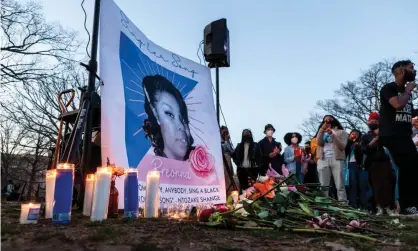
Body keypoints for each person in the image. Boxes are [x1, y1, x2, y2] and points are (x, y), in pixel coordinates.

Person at [378, 60, 418, 215]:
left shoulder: (406, 93)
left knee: (412, 167)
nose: (414, 71)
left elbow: (409, 111)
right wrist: (407, 91)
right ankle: (407, 205)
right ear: (401, 70)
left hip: (404, 136)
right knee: (408, 167)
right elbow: (397, 105)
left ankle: (409, 204)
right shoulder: (389, 88)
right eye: (411, 68)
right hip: (392, 136)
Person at [142, 75, 194, 161]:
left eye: (183, 119)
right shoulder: (151, 171)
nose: (181, 126)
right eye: (169, 114)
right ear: (156, 115)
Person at [362, 112, 396, 216]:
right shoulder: (366, 136)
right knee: (376, 186)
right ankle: (379, 207)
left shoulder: (384, 133)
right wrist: (373, 141)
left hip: (385, 162)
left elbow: (390, 145)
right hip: (373, 163)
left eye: (375, 121)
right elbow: (365, 149)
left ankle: (389, 207)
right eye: (371, 121)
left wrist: (380, 135)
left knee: (388, 184)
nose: (373, 123)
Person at [316, 115, 348, 202]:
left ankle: (343, 204)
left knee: (340, 184)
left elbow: (342, 146)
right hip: (323, 159)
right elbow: (319, 143)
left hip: (337, 159)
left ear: (334, 120)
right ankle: (324, 205)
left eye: (329, 119)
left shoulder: (342, 132)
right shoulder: (322, 132)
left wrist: (332, 135)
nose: (327, 121)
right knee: (323, 185)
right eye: (325, 120)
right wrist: (322, 129)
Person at [345, 129, 368, 209]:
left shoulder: (361, 143)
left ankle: (363, 206)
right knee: (352, 186)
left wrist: (358, 146)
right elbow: (345, 151)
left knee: (362, 186)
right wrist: (350, 141)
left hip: (360, 166)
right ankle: (353, 205)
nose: (354, 135)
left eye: (356, 134)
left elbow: (364, 152)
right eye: (352, 133)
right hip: (350, 165)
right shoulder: (348, 143)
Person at [220, 126, 237, 194]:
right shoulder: (218, 140)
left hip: (229, 161)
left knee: (229, 178)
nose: (226, 134)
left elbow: (231, 151)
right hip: (222, 162)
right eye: (224, 132)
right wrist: (227, 141)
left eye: (227, 132)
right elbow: (222, 149)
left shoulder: (227, 141)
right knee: (223, 178)